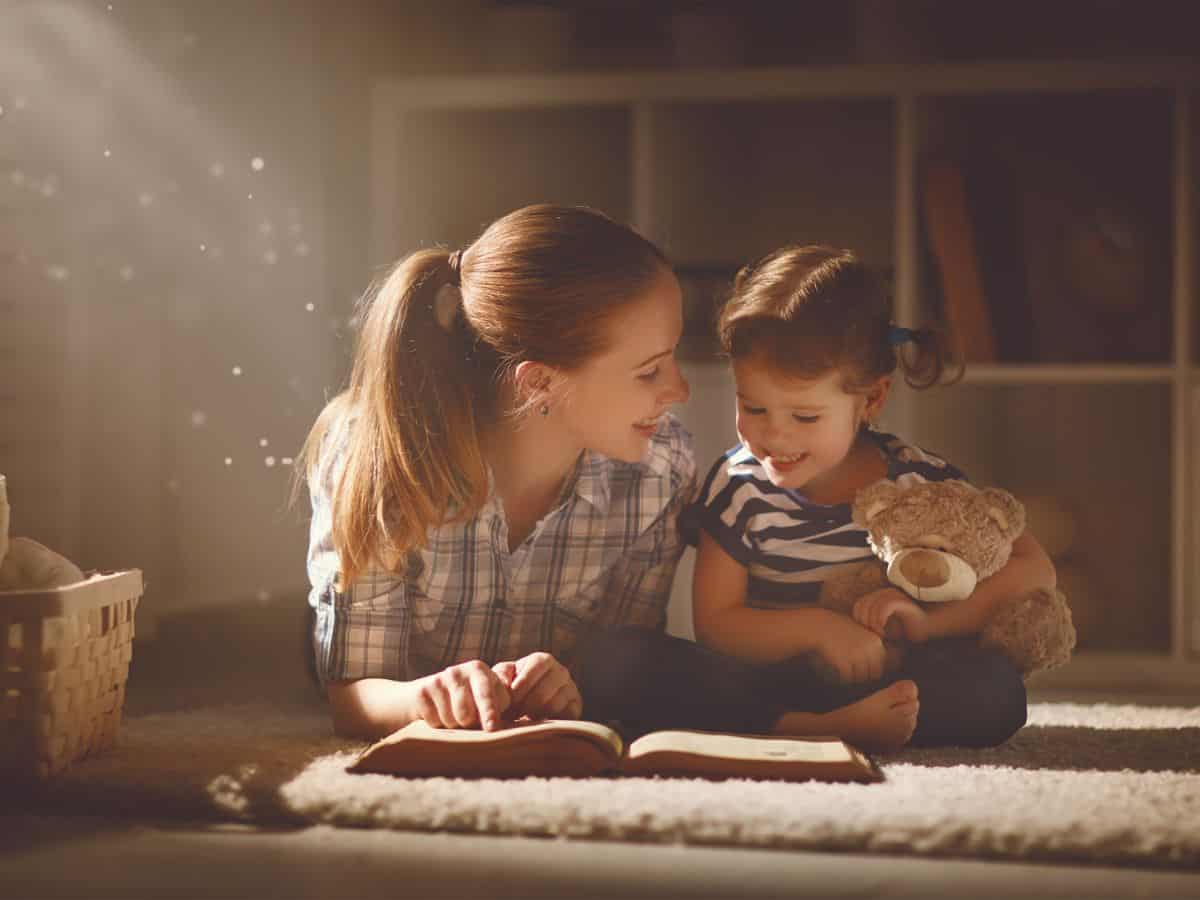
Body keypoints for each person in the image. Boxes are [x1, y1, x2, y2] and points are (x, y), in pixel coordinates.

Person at [576, 245, 1052, 751]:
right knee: (613, 662)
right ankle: (805, 728)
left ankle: (832, 721)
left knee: (994, 690)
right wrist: (820, 630)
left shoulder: (919, 481)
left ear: (870, 399)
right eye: (753, 407)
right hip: (767, 683)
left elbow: (1033, 567)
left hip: (889, 677)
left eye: (805, 417)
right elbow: (717, 624)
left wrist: (928, 624)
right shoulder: (738, 486)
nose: (774, 437)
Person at [298, 204, 693, 739]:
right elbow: (354, 695)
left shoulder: (660, 472)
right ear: (539, 384)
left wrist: (572, 685)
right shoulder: (377, 460)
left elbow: (623, 669)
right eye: (649, 371)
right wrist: (423, 698)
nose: (679, 391)